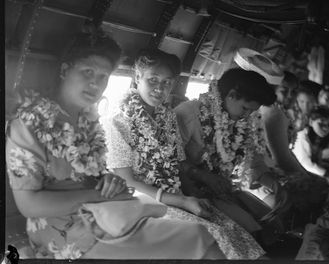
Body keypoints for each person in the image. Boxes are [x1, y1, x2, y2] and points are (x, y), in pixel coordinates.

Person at [5, 29, 224, 260]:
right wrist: (100, 196)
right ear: (65, 70)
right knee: (198, 242)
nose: (95, 83)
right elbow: (29, 205)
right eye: (88, 71)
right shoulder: (30, 124)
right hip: (64, 231)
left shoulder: (87, 121)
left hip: (106, 215)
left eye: (103, 76)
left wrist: (108, 180)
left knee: (201, 238)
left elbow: (94, 176)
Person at [104, 49, 265, 259]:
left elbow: (178, 164)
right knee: (214, 236)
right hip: (143, 200)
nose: (160, 89)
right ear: (137, 78)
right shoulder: (117, 121)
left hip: (176, 194)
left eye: (167, 82)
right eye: (153, 80)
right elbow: (126, 181)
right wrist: (182, 202)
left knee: (234, 230)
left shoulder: (168, 117)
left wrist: (191, 196)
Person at [175, 68, 288, 247]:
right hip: (187, 191)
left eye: (252, 111)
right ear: (231, 95)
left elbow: (253, 164)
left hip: (220, 189)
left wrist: (274, 184)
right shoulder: (189, 113)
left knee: (273, 225)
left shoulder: (243, 122)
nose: (247, 115)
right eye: (245, 108)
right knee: (251, 233)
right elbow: (170, 159)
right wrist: (202, 176)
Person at [291, 106, 329, 181]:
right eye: (321, 124)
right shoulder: (301, 137)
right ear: (310, 122)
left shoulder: (321, 138)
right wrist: (326, 174)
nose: (325, 128)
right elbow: (305, 164)